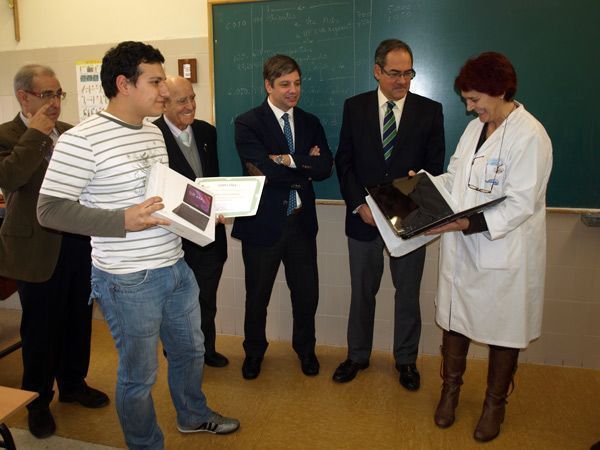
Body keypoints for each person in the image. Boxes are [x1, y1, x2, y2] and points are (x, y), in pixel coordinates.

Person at [36, 42, 239, 449]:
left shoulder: (151, 130)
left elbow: (162, 196)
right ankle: (145, 443)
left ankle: (193, 415)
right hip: (128, 281)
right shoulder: (82, 140)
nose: (164, 90)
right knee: (139, 375)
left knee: (190, 352)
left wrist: (201, 213)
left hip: (176, 266)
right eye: (156, 81)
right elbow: (48, 210)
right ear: (123, 84)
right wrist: (120, 220)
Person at [428, 52, 552, 442]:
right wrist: (425, 186)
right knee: (454, 319)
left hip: (504, 250)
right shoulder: (474, 129)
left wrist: (467, 223)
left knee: (503, 329)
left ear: (498, 91)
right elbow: (456, 177)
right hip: (465, 250)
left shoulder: (530, 135)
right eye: (467, 100)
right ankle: (450, 391)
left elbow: (521, 202)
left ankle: (494, 403)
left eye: (475, 99)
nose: (470, 108)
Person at [0, 64, 108, 439]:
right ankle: (38, 401)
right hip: (34, 248)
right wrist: (34, 135)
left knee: (79, 322)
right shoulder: (6, 135)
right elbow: (10, 179)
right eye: (46, 94)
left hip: (77, 243)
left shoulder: (71, 133)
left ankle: (74, 385)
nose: (54, 102)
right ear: (24, 97)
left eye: (58, 93)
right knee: (41, 330)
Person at [333, 39, 445, 390]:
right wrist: (358, 204)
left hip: (409, 219)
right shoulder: (355, 107)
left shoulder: (430, 111)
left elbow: (433, 168)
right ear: (377, 71)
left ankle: (407, 361)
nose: (402, 81)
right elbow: (345, 162)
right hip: (364, 217)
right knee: (362, 291)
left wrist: (410, 197)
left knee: (408, 294)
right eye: (394, 73)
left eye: (408, 73)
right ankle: (357, 356)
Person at [232, 54, 333, 380]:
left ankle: (305, 350)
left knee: (306, 294)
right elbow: (263, 170)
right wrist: (304, 165)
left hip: (301, 224)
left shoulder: (310, 122)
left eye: (297, 83)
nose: (293, 91)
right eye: (285, 84)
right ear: (268, 85)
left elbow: (326, 167)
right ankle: (254, 353)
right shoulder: (248, 122)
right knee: (257, 296)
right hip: (262, 225)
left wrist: (288, 159)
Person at [154, 76, 229, 368]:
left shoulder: (207, 132)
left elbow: (216, 181)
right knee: (176, 306)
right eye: (182, 100)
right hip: (173, 240)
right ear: (165, 103)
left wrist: (223, 205)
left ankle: (206, 349)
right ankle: (177, 355)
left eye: (192, 98)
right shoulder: (152, 135)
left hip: (209, 238)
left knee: (206, 300)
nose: (190, 105)